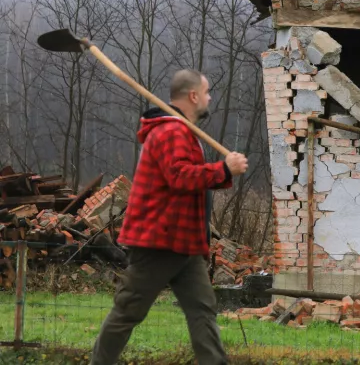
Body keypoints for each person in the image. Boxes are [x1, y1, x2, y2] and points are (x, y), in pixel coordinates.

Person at [91, 69, 248, 365]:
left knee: (203, 312)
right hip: (158, 242)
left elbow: (187, 179)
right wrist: (224, 169)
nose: (209, 97)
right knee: (128, 311)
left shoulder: (183, 131)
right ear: (193, 96)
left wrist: (222, 171)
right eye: (207, 91)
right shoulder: (171, 131)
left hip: (185, 244)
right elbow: (180, 176)